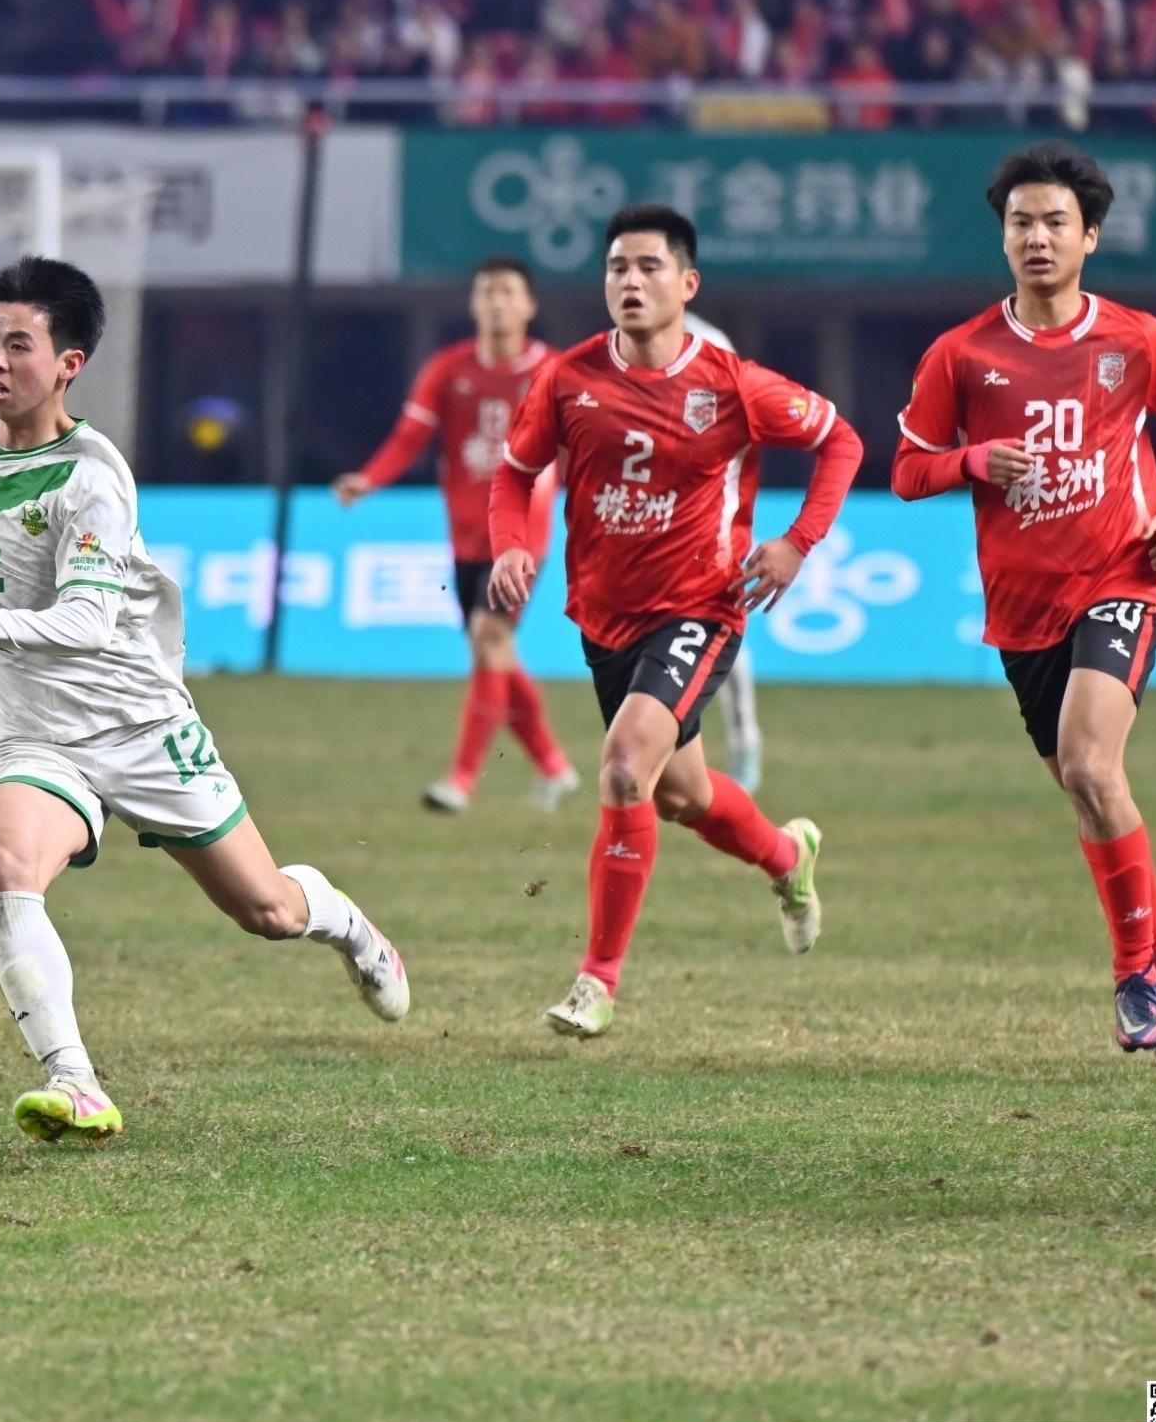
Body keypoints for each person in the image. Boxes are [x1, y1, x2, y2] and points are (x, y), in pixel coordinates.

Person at [0, 257, 409, 1145]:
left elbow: (90, 620)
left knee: (266, 911)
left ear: (70, 364)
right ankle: (75, 1082)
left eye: (19, 346)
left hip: (138, 723)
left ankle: (343, 921)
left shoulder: (93, 477)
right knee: (7, 866)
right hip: (34, 733)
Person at [487, 205, 860, 1039]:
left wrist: (797, 543)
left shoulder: (733, 383)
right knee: (681, 795)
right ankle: (787, 856)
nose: (631, 281)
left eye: (649, 267)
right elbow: (513, 474)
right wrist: (510, 544)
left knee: (625, 771)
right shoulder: (569, 379)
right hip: (605, 617)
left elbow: (841, 441)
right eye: (617, 267)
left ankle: (596, 981)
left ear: (687, 285)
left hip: (702, 607)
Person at [895, 142, 1156, 1068]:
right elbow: (908, 470)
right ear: (1002, 238)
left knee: (1088, 762)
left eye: (1054, 222)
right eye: (1021, 223)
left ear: (1090, 237)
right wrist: (972, 461)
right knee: (1089, 789)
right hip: (1022, 609)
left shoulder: (1135, 339)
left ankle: (1132, 974)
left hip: (1122, 575)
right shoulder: (962, 354)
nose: (1037, 237)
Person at [335, 255, 580, 814]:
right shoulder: (448, 369)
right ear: (473, 303)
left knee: (489, 637)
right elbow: (409, 435)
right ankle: (553, 766)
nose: (497, 302)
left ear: (529, 305)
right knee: (494, 651)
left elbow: (587, 443)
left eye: (508, 292)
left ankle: (461, 781)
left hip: (522, 534)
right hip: (467, 534)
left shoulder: (555, 371)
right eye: (487, 291)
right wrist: (369, 479)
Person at [680, 311, 767, 790]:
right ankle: (669, 752)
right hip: (645, 522)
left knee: (721, 627)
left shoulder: (709, 343)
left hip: (706, 519)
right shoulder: (618, 343)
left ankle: (744, 738)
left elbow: (736, 428)